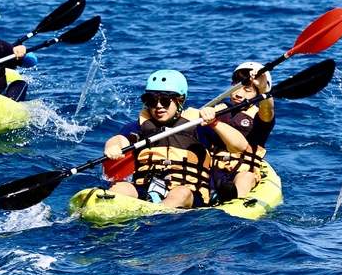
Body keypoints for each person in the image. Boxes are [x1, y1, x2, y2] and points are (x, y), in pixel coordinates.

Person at [102, 69, 249, 209]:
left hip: (189, 195)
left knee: (180, 193)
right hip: (146, 189)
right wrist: (112, 146)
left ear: (180, 100)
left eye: (165, 101)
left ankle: (154, 219)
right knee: (121, 188)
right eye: (151, 100)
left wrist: (215, 123)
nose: (158, 106)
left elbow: (240, 146)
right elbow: (120, 139)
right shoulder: (139, 127)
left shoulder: (199, 125)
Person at [207, 62, 276, 202]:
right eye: (236, 87)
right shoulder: (218, 109)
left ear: (258, 94)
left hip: (244, 170)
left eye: (247, 90)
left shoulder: (260, 115)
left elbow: (268, 110)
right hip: (214, 169)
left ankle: (234, 198)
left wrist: (263, 88)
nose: (238, 94)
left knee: (246, 177)